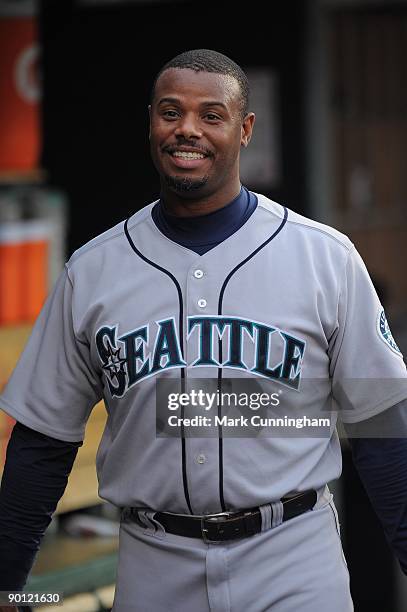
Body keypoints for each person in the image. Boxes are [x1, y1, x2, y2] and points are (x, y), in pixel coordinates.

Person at [1, 48, 407, 612]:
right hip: (154, 560)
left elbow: (383, 432)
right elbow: (42, 443)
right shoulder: (93, 271)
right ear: (150, 122)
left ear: (245, 130)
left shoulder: (325, 258)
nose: (186, 129)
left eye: (210, 115)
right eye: (170, 112)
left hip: (290, 556)